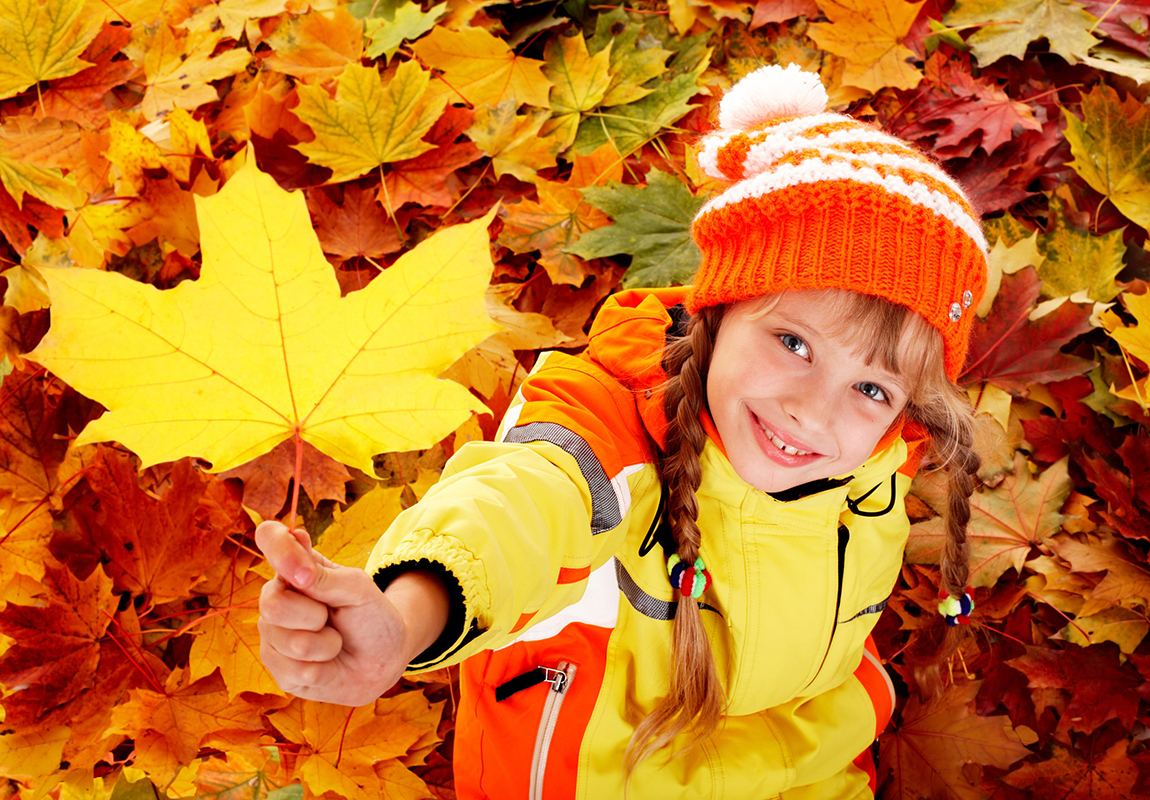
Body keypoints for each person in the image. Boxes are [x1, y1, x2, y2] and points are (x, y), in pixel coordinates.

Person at [256, 63, 988, 799]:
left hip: (806, 768)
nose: (812, 411)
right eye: (793, 343)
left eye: (869, 387)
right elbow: (518, 508)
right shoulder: (612, 428)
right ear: (719, 310)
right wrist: (405, 614)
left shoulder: (878, 464)